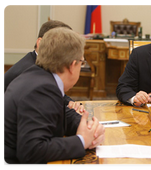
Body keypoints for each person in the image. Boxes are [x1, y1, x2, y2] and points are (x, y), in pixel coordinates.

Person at [2, 27, 105, 164]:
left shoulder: (40, 76)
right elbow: (31, 151)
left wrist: (86, 127)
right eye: (82, 62)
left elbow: (58, 115)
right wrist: (81, 141)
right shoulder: (42, 89)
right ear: (72, 65)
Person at [2, 20, 83, 113]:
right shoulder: (28, 70)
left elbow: (53, 92)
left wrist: (70, 103)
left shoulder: (39, 62)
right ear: (40, 43)